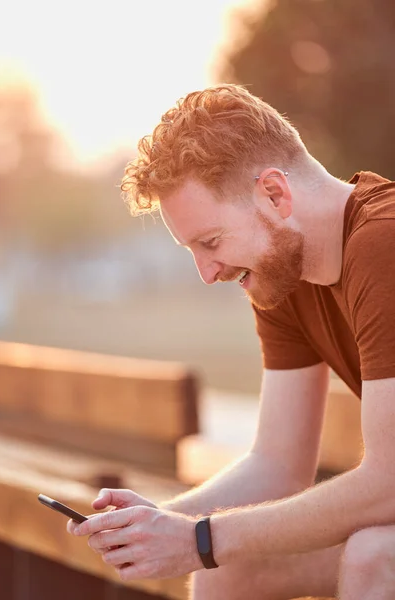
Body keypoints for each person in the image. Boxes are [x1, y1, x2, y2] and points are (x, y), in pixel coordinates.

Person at [68, 84, 395, 599]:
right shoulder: (285, 275)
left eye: (211, 241)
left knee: (376, 555)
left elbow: (388, 485)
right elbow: (278, 465)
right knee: (230, 568)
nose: (207, 271)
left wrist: (199, 537)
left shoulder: (383, 243)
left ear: (274, 194)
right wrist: (159, 522)